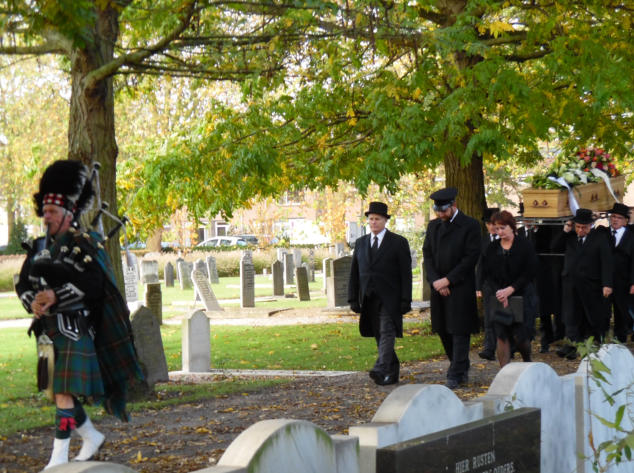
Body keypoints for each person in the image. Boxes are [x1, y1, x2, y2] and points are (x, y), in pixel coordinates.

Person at [15, 160, 144, 470]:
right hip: (48, 333)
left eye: (52, 212)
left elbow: (95, 285)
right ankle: (91, 436)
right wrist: (33, 302)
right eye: (44, 211)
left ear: (69, 213)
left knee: (62, 392)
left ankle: (58, 458)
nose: (46, 216)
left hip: (75, 329)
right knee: (58, 393)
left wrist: (57, 296)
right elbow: (22, 283)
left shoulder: (84, 244)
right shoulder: (38, 246)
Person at [348, 201, 412, 386]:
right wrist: (353, 298)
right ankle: (392, 372)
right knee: (379, 334)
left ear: (385, 220)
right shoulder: (361, 243)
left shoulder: (398, 242)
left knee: (386, 331)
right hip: (369, 298)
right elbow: (355, 272)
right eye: (371, 219)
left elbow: (405, 273)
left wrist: (406, 299)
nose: (373, 222)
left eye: (377, 219)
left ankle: (381, 368)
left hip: (390, 298)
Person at [422, 187, 480, 389]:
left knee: (459, 330)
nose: (440, 215)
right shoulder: (433, 226)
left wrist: (449, 280)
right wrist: (436, 281)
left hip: (460, 286)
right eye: (437, 211)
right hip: (438, 286)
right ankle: (460, 364)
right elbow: (428, 255)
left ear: (454, 205)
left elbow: (470, 257)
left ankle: (455, 372)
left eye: (444, 211)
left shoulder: (470, 225)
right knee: (443, 329)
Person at [480, 211, 539, 367]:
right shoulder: (492, 248)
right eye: (497, 228)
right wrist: (500, 293)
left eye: (503, 228)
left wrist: (511, 289)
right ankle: (504, 372)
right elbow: (487, 273)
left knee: (520, 336)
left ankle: (527, 362)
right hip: (499, 296)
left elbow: (530, 271)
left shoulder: (524, 245)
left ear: (512, 227)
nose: (499, 232)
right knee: (501, 335)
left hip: (522, 295)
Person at [552, 208, 613, 359]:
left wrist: (607, 284)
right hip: (571, 284)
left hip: (591, 284)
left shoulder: (599, 239)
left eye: (584, 227)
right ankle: (571, 345)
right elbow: (554, 247)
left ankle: (588, 344)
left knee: (589, 315)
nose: (580, 230)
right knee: (571, 315)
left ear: (591, 225)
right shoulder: (570, 237)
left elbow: (606, 262)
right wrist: (566, 229)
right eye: (578, 227)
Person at [604, 203, 634, 343]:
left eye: (619, 217)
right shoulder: (603, 233)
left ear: (626, 221)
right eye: (613, 216)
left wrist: (633, 282)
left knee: (621, 311)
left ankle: (620, 341)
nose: (615, 220)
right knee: (603, 311)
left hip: (623, 281)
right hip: (605, 281)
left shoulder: (631, 237)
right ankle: (601, 340)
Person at [476, 207, 500, 361]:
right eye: (488, 224)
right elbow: (480, 265)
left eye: (493, 223)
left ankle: (508, 347)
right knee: (489, 317)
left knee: (506, 315)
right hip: (488, 285)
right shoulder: (483, 240)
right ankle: (489, 348)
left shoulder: (506, 238)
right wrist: (478, 286)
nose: (490, 227)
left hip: (504, 284)